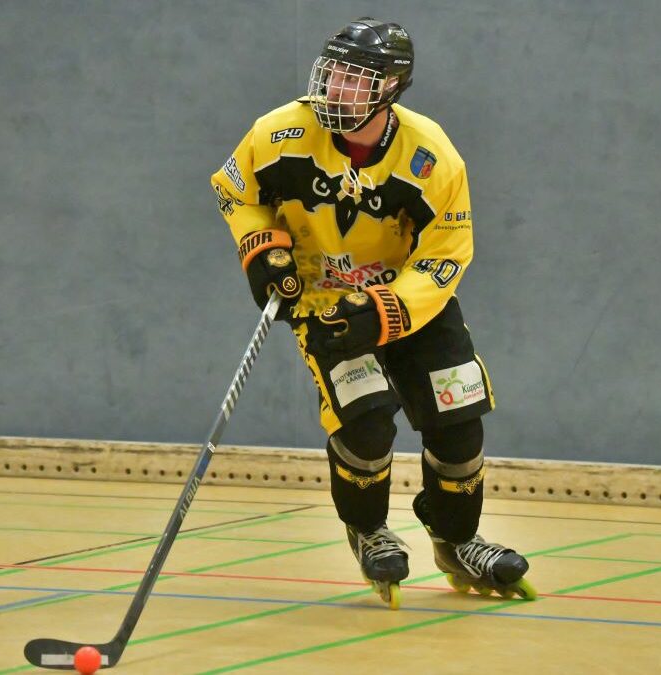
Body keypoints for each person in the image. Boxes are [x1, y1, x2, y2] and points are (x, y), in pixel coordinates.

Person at [211, 17, 535, 608]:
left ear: (390, 88)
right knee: (365, 417)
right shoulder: (277, 132)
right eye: (334, 71)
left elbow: (446, 253)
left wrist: (386, 307)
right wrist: (262, 249)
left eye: (356, 79)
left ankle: (457, 537)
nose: (337, 87)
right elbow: (236, 191)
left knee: (458, 418)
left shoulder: (431, 156)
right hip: (324, 304)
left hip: (416, 304)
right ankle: (368, 528)